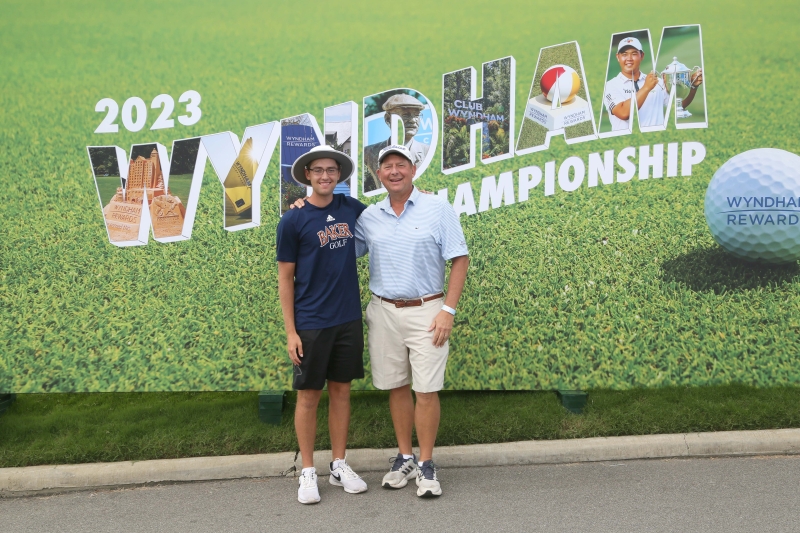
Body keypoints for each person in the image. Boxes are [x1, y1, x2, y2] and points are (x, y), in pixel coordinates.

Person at [356, 144, 469, 498]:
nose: (394, 171)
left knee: (426, 390)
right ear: (378, 174)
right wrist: (304, 205)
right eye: (387, 166)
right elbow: (339, 246)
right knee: (396, 386)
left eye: (400, 164)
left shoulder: (437, 208)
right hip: (383, 310)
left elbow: (460, 258)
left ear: (413, 170)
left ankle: (426, 463)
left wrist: (448, 311)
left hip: (428, 311)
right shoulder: (369, 216)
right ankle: (405, 457)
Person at [276, 145, 369, 504]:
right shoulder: (293, 220)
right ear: (308, 175)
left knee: (342, 392)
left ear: (339, 174)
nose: (325, 176)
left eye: (331, 170)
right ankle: (307, 471)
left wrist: (416, 195)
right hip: (311, 323)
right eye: (318, 170)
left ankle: (339, 464)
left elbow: (391, 214)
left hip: (347, 318)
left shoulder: (351, 208)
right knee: (309, 396)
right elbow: (285, 279)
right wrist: (291, 331)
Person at [603, 36, 702, 131]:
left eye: (634, 53)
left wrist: (693, 87)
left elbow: (677, 106)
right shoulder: (610, 86)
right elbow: (623, 113)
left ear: (642, 56)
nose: (629, 58)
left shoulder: (657, 82)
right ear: (618, 57)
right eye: (624, 54)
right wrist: (646, 88)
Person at [363, 94, 430, 193]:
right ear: (388, 119)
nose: (413, 120)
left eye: (416, 115)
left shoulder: (428, 152)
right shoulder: (368, 152)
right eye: (406, 115)